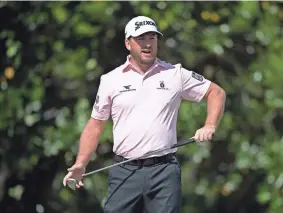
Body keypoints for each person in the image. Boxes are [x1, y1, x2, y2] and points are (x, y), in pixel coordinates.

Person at [63, 16, 226, 213]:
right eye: (141, 38)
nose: (147, 44)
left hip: (164, 171)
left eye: (152, 38)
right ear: (127, 43)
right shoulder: (111, 80)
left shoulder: (175, 74)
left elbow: (216, 92)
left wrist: (209, 125)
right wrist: (81, 163)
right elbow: (95, 125)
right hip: (124, 169)